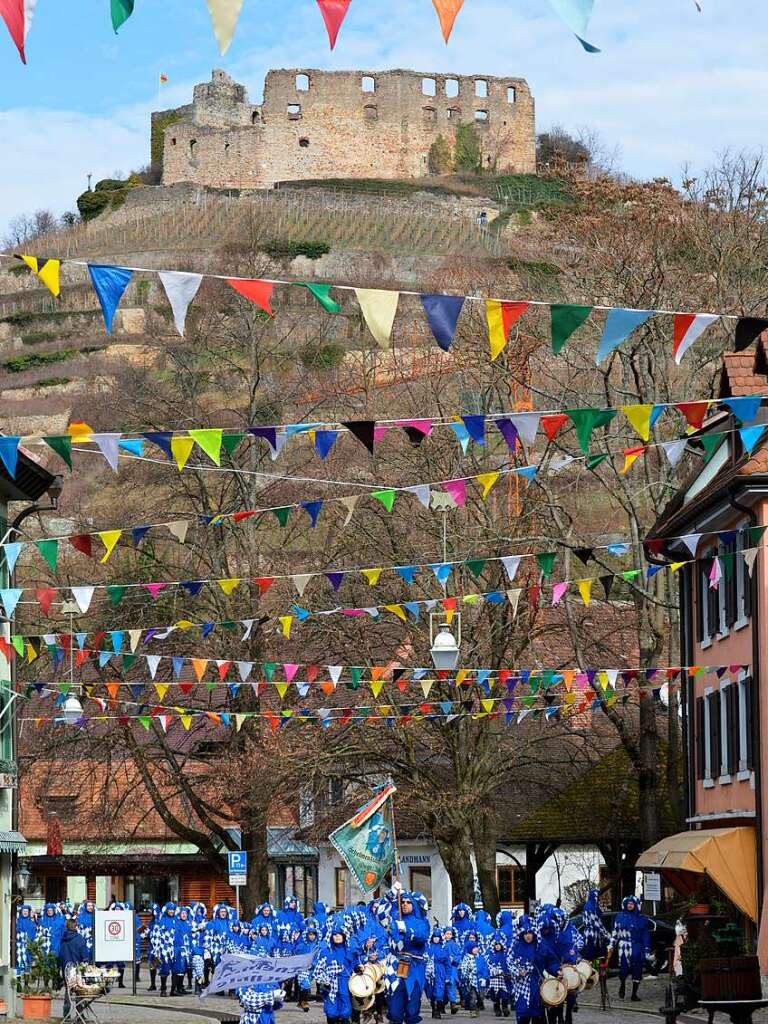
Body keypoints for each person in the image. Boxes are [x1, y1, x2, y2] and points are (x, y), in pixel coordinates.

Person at [377, 887, 430, 1024]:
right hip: (397, 966)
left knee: (412, 1009)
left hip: (415, 967)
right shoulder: (394, 920)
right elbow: (380, 914)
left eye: (408, 902)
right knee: (395, 1008)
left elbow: (422, 936)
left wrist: (406, 930)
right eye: (402, 902)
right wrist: (392, 893)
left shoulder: (422, 922)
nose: (404, 904)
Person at [507, 914, 560, 1024]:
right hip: (521, 985)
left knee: (537, 1014)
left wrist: (557, 970)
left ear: (534, 933)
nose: (528, 936)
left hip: (537, 984)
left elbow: (551, 960)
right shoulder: (515, 947)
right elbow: (509, 962)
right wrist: (517, 972)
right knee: (523, 1014)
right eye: (525, 933)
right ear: (521, 934)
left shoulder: (541, 946)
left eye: (530, 933)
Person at [314, 913, 358, 1024]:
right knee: (331, 1014)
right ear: (331, 935)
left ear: (344, 935)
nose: (337, 936)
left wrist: (359, 969)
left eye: (340, 934)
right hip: (330, 987)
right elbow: (318, 971)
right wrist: (324, 980)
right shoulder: (325, 952)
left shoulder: (350, 951)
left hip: (345, 985)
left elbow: (355, 966)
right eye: (334, 934)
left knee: (345, 1013)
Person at [608, 896, 651, 1002]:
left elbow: (645, 935)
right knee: (623, 969)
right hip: (624, 945)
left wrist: (647, 948)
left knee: (637, 969)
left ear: (635, 905)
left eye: (632, 903)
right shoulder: (620, 916)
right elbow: (615, 933)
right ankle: (622, 984)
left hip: (637, 946)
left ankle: (634, 994)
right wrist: (611, 944)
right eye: (628, 903)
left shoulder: (641, 919)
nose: (630, 905)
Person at [59, 918, 90, 1020]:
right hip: (77, 968)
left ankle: (66, 1014)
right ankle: (80, 1014)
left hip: (66, 968)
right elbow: (84, 955)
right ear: (75, 926)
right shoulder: (79, 938)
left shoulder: (63, 939)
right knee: (79, 991)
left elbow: (61, 954)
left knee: (68, 991)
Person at [151, 901, 178, 997]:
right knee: (165, 969)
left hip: (176, 949)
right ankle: (163, 989)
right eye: (170, 909)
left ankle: (173, 990)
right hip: (165, 949)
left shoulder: (177, 920)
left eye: (173, 909)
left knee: (176, 969)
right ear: (166, 910)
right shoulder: (161, 921)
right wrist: (158, 949)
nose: (171, 911)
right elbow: (156, 936)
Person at [204, 903, 234, 985]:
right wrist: (207, 951)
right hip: (216, 947)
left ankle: (229, 987)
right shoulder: (212, 923)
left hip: (228, 947)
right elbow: (207, 937)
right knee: (218, 967)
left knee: (229, 967)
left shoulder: (230, 923)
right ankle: (219, 986)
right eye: (221, 911)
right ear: (218, 913)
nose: (223, 913)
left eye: (224, 911)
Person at [459, 937, 490, 1018]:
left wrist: (484, 977)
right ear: (470, 949)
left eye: (477, 947)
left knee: (481, 996)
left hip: (481, 980)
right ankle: (473, 1010)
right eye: (474, 948)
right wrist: (467, 977)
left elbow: (485, 968)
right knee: (473, 996)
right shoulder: (467, 958)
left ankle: (478, 1006)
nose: (476, 949)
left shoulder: (481, 958)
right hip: (472, 981)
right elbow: (464, 969)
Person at [426, 927, 452, 1020]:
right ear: (432, 937)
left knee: (439, 990)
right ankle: (433, 1009)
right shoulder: (428, 948)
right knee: (430, 991)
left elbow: (448, 963)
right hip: (429, 972)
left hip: (440, 971)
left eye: (438, 937)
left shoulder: (443, 948)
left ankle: (437, 1010)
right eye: (434, 937)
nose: (436, 938)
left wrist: (448, 975)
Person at [295, 918, 321, 1011]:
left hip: (313, 969)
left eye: (314, 934)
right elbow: (296, 956)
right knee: (305, 983)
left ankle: (300, 1001)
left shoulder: (318, 946)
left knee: (305, 985)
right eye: (310, 934)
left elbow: (320, 958)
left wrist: (314, 964)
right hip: (303, 968)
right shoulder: (301, 945)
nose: (312, 936)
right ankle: (304, 1002)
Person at [487, 931, 511, 1018]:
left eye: (499, 944)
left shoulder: (505, 955)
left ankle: (505, 1008)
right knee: (495, 995)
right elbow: (488, 965)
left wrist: (506, 972)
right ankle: (497, 1009)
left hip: (503, 978)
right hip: (494, 978)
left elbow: (509, 965)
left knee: (504, 994)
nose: (497, 946)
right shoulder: (491, 955)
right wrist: (492, 971)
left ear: (502, 945)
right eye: (496, 945)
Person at [580, 890, 609, 961]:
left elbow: (598, 921)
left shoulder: (594, 906)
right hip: (591, 935)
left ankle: (597, 970)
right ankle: (591, 970)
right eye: (597, 896)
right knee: (590, 956)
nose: (598, 898)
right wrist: (606, 934)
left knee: (598, 957)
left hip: (596, 935)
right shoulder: (589, 906)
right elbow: (596, 923)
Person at [16, 904, 37, 979]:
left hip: (28, 945)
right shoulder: (17, 921)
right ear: (21, 912)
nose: (25, 913)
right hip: (19, 946)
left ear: (28, 912)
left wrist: (33, 945)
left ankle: (26, 984)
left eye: (26, 911)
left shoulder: (32, 923)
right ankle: (18, 984)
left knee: (27, 963)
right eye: (23, 911)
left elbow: (34, 935)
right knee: (19, 963)